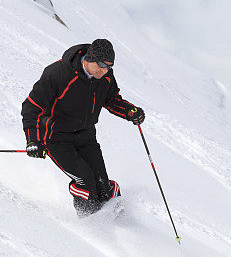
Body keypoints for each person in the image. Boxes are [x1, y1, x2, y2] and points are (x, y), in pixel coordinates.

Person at [21, 39, 145, 217]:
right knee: (86, 180)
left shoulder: (105, 77)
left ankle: (117, 221)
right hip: (56, 139)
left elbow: (111, 100)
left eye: (109, 66)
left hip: (86, 137)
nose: (105, 70)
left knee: (103, 185)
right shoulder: (58, 74)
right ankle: (90, 223)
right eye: (102, 65)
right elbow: (31, 107)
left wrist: (130, 112)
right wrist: (33, 140)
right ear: (89, 58)